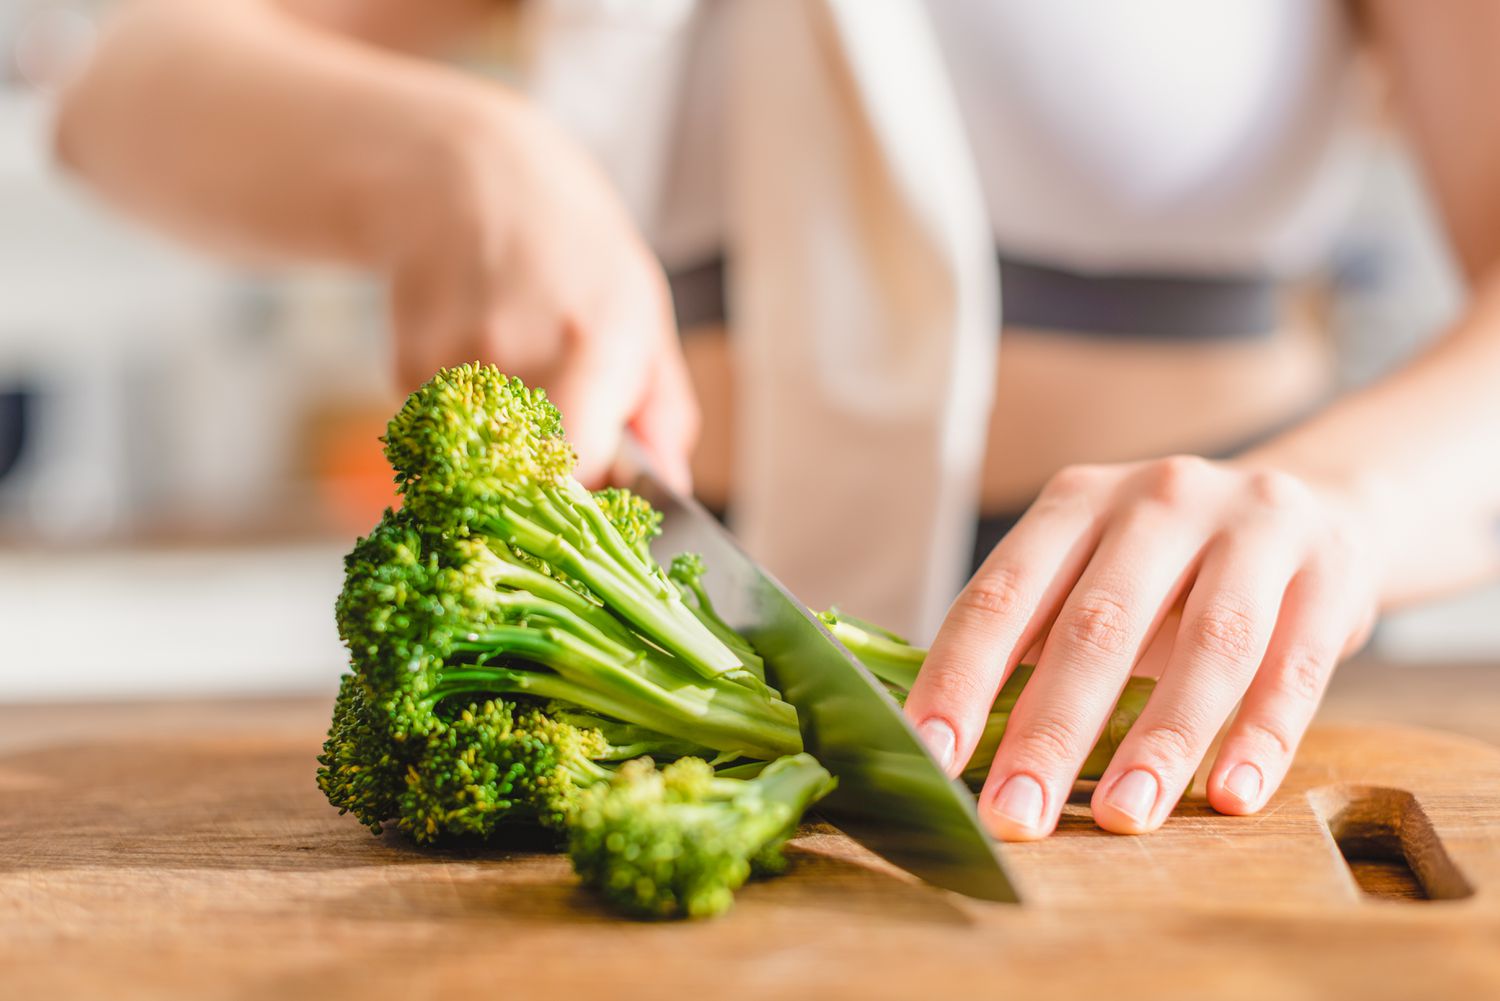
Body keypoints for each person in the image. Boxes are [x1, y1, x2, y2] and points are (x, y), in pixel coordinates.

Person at [54, 0, 1500, 842]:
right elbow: (119, 80)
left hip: (1200, 674)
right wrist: (445, 151)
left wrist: (1342, 512)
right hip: (658, 625)